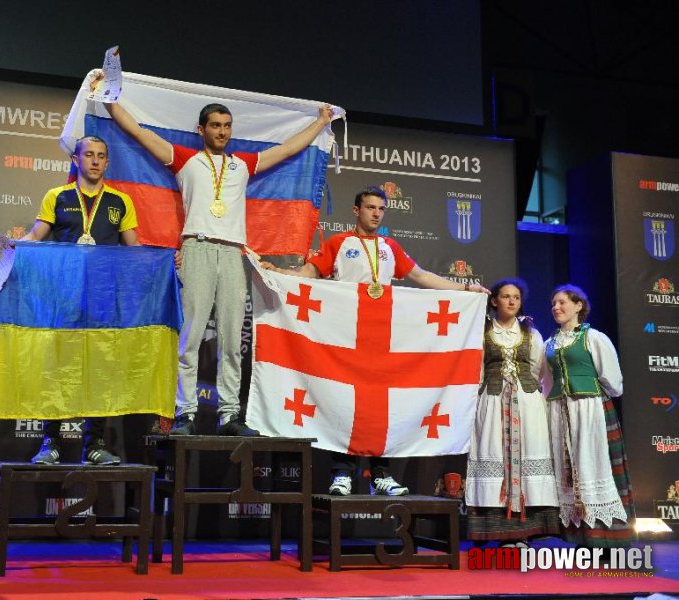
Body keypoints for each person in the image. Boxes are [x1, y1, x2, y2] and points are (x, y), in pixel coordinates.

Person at [103, 90, 334, 436]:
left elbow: (287, 149)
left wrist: (321, 122)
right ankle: (185, 412)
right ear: (201, 129)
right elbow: (138, 132)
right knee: (190, 336)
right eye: (215, 125)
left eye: (227, 126)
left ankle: (229, 414)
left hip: (232, 253)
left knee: (230, 338)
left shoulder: (242, 163)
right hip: (196, 248)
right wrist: (108, 101)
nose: (222, 131)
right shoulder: (184, 160)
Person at [263, 187, 489, 495]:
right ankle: (341, 473)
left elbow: (421, 276)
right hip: (344, 337)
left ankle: (382, 474)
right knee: (342, 402)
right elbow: (310, 273)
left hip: (383, 340)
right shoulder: (339, 243)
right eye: (370, 207)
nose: (376, 213)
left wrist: (464, 290)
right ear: (356, 210)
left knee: (383, 406)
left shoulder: (390, 247)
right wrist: (280, 273)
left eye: (381, 208)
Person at [0, 136, 137, 466]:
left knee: (99, 372)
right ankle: (50, 444)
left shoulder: (120, 202)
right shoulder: (57, 197)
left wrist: (165, 261)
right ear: (76, 159)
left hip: (102, 300)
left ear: (107, 162)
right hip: (64, 297)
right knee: (56, 369)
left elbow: (135, 250)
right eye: (89, 155)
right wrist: (8, 247)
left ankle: (95, 445)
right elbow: (35, 238)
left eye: (101, 156)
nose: (95, 161)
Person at [465, 279, 559, 548]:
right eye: (505, 296)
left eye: (516, 297)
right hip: (492, 401)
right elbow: (477, 370)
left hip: (527, 402)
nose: (511, 301)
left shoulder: (531, 332)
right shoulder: (482, 331)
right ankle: (498, 532)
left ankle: (525, 533)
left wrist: (525, 390)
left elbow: (539, 369)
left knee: (527, 455)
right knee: (495, 453)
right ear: (494, 301)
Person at [544, 284, 635, 548]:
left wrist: (591, 399)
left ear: (578, 306)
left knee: (594, 465)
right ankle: (579, 537)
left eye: (562, 302)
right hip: (560, 412)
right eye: (553, 303)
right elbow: (547, 383)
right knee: (570, 471)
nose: (556, 307)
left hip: (590, 409)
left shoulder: (593, 337)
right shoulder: (549, 343)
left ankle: (608, 540)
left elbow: (613, 382)